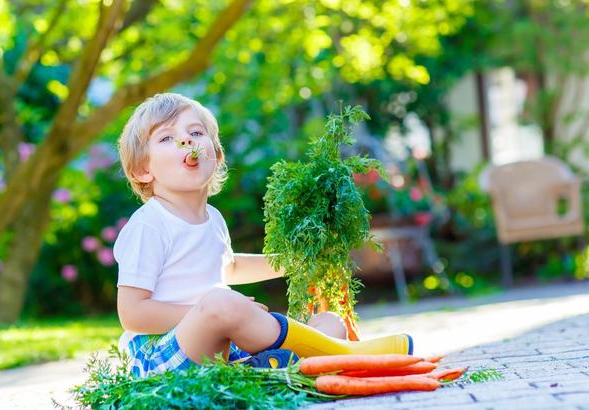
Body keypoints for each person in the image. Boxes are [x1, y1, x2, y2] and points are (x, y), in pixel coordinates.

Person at [114, 93, 412, 377]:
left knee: (329, 321)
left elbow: (227, 267)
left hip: (223, 350)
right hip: (160, 354)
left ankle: (276, 368)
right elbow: (133, 313)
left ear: (216, 156)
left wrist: (291, 262)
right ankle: (348, 356)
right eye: (167, 138)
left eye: (196, 132)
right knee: (221, 302)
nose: (186, 140)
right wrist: (212, 312)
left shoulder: (212, 218)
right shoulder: (150, 225)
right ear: (142, 171)